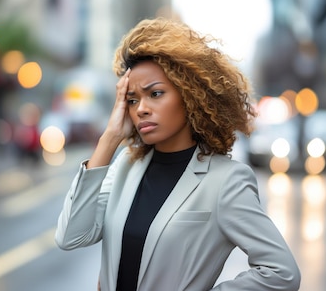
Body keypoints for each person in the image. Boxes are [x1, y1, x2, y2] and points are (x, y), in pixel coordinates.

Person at [55, 17, 301, 290]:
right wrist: (110, 138)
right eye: (133, 100)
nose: (141, 109)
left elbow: (281, 272)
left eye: (156, 94)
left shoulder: (226, 181)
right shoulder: (126, 166)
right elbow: (70, 237)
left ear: (190, 96)